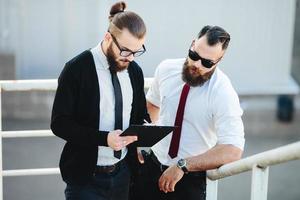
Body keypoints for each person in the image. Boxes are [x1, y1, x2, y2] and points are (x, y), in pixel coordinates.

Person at [50, 2, 150, 200]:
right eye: (125, 51)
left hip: (123, 175)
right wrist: (104, 139)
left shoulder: (135, 71)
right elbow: (59, 124)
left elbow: (140, 114)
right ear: (107, 38)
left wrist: (147, 129)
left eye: (137, 51)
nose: (130, 58)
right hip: (85, 180)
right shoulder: (76, 69)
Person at [135, 25, 245, 200]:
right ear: (192, 44)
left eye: (207, 62)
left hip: (189, 180)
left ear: (219, 60)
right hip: (150, 168)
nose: (196, 64)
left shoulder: (223, 91)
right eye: (194, 55)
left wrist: (183, 166)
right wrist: (142, 140)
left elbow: (233, 149)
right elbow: (153, 105)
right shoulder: (166, 68)